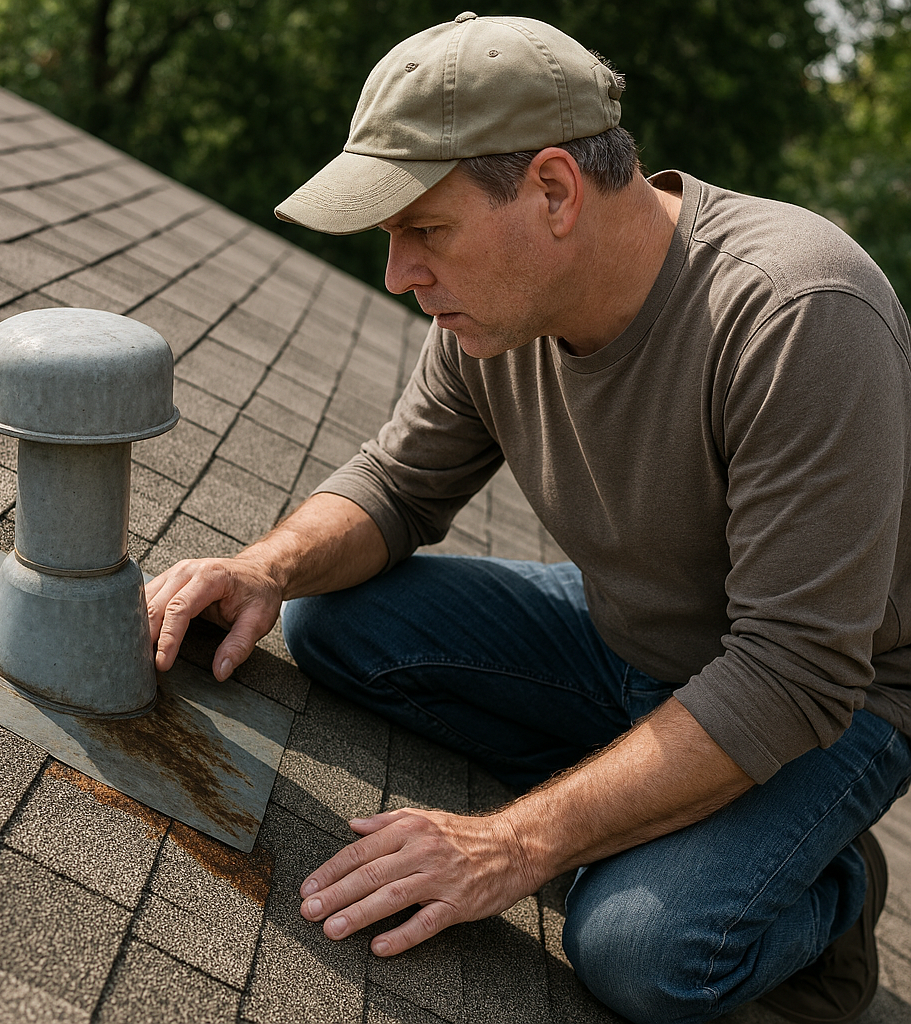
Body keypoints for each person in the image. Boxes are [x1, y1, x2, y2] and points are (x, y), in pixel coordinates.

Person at [145, 13, 911, 1023]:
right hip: (628, 635)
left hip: (830, 700)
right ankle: (643, 786)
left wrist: (509, 843)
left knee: (641, 951)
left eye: (424, 229)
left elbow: (792, 670)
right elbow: (399, 481)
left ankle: (831, 892)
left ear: (552, 190)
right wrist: (266, 568)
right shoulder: (493, 316)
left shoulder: (796, 312)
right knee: (330, 619)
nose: (398, 274)